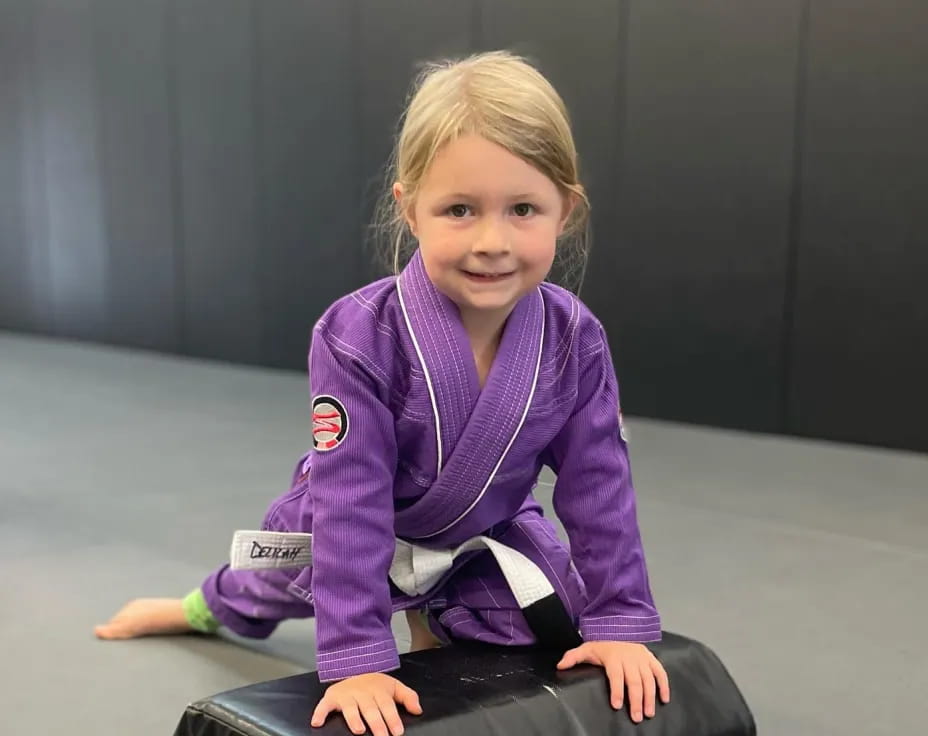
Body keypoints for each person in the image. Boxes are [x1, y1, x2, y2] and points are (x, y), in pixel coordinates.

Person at [95, 50, 670, 736]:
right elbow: (352, 499)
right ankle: (197, 607)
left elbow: (598, 484)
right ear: (411, 209)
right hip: (356, 528)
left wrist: (618, 620)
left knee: (539, 626)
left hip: (479, 535)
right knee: (267, 578)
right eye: (459, 209)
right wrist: (358, 659)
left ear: (565, 211)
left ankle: (436, 619)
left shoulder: (576, 338)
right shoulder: (357, 335)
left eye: (524, 209)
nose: (493, 241)